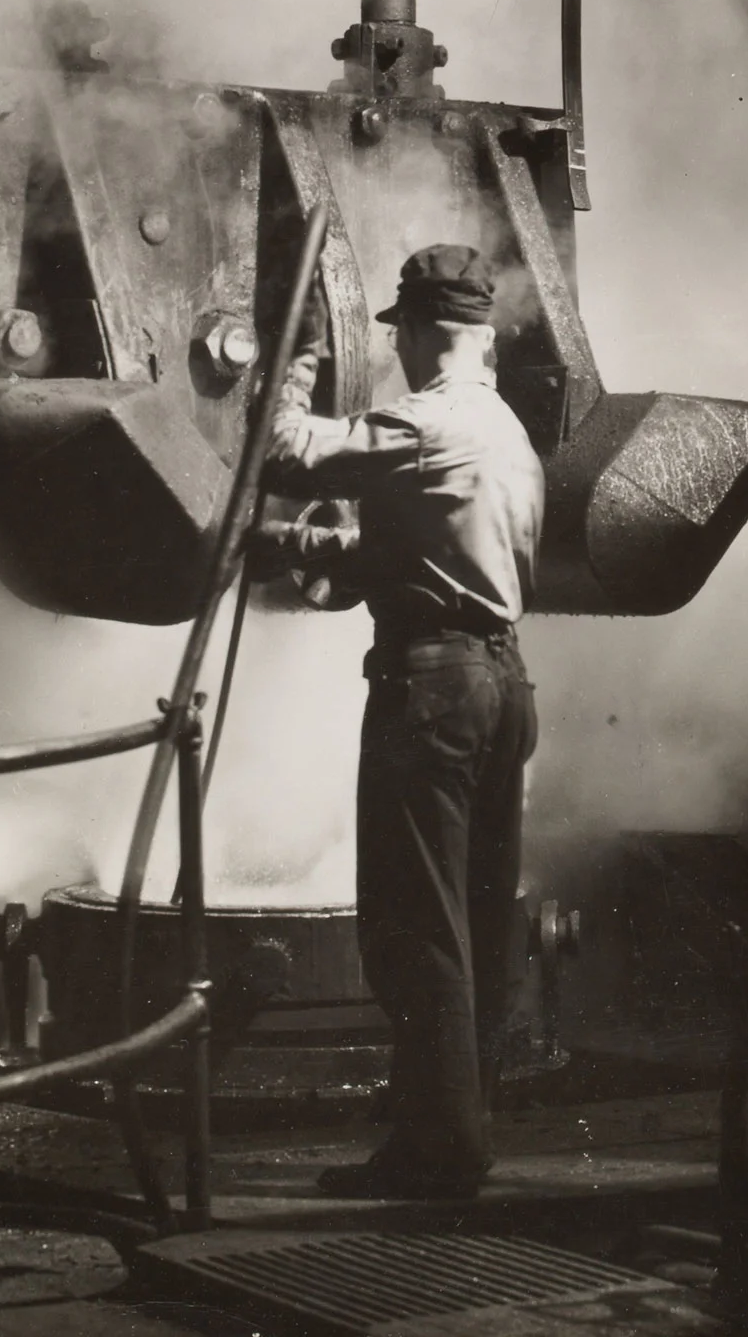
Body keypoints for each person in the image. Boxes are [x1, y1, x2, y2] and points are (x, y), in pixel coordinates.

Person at [256, 244, 545, 1200]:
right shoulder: (503, 430)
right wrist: (324, 548)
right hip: (503, 683)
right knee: (476, 924)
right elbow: (431, 553)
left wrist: (292, 361)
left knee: (417, 927)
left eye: (402, 335)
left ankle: (439, 1153)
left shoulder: (427, 419)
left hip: (433, 690)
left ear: (420, 333)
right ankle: (460, 1125)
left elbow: (287, 451)